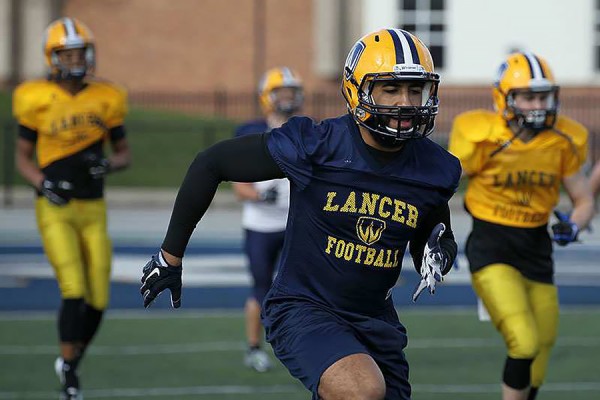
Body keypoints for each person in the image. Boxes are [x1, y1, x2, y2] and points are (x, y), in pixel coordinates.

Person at [140, 28, 461, 400]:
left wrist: (438, 256)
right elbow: (211, 163)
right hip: (306, 307)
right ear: (358, 90)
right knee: (362, 390)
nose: (406, 102)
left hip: (376, 318)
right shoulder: (318, 144)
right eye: (390, 88)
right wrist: (170, 256)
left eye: (414, 89)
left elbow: (434, 237)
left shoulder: (435, 167)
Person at [448, 52, 594, 400]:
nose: (538, 104)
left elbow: (584, 200)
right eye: (529, 97)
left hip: (537, 251)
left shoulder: (562, 139)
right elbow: (442, 186)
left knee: (541, 353)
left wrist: (573, 226)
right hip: (492, 247)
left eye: (543, 96)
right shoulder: (482, 134)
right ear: (505, 98)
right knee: (524, 342)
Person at [12, 17, 131, 400]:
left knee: (99, 299)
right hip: (56, 208)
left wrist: (108, 164)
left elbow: (123, 153)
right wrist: (42, 183)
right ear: (53, 57)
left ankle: (71, 360)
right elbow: (23, 159)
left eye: (81, 51)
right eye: (69, 52)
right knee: (74, 289)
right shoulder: (33, 96)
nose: (77, 58)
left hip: (93, 207)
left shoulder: (108, 96)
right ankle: (69, 378)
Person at [232, 66, 303, 372]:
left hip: (296, 224)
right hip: (260, 225)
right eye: (281, 93)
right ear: (267, 96)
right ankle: (253, 348)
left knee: (302, 290)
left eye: (292, 93)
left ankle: (302, 344)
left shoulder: (305, 129)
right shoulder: (250, 132)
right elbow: (238, 184)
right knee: (261, 288)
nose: (287, 99)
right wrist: (261, 197)